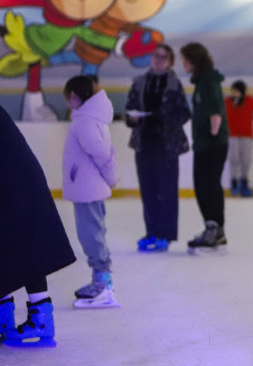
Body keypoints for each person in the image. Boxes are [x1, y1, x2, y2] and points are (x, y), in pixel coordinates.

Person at [0, 105, 76, 347]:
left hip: (16, 189)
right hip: (16, 186)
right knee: (14, 247)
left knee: (27, 249)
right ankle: (5, 318)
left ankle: (40, 320)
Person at [61, 75, 120, 308]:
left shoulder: (84, 121)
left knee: (90, 234)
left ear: (74, 95)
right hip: (87, 187)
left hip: (88, 189)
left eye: (67, 96)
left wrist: (110, 177)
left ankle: (103, 284)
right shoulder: (90, 118)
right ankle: (101, 280)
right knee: (93, 231)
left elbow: (101, 153)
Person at [125, 44, 190, 253]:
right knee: (148, 190)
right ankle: (151, 231)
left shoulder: (175, 84)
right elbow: (129, 111)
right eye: (156, 55)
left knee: (167, 190)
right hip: (144, 143)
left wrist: (166, 120)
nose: (159, 59)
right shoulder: (139, 82)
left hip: (167, 144)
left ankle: (166, 234)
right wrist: (132, 117)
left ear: (170, 61)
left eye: (164, 57)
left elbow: (185, 113)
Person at [181, 42, 229, 250]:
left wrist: (212, 134)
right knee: (204, 185)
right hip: (206, 144)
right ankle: (213, 228)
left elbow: (215, 111)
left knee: (207, 186)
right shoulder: (203, 81)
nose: (183, 64)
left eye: (184, 59)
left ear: (193, 60)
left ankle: (215, 229)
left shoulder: (209, 80)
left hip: (211, 144)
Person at [225, 79, 253, 197]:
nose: (234, 93)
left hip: (247, 135)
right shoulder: (227, 102)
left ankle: (244, 182)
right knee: (234, 159)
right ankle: (234, 182)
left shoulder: (250, 100)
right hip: (232, 135)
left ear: (242, 92)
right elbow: (218, 111)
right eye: (233, 91)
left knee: (246, 160)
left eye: (236, 91)